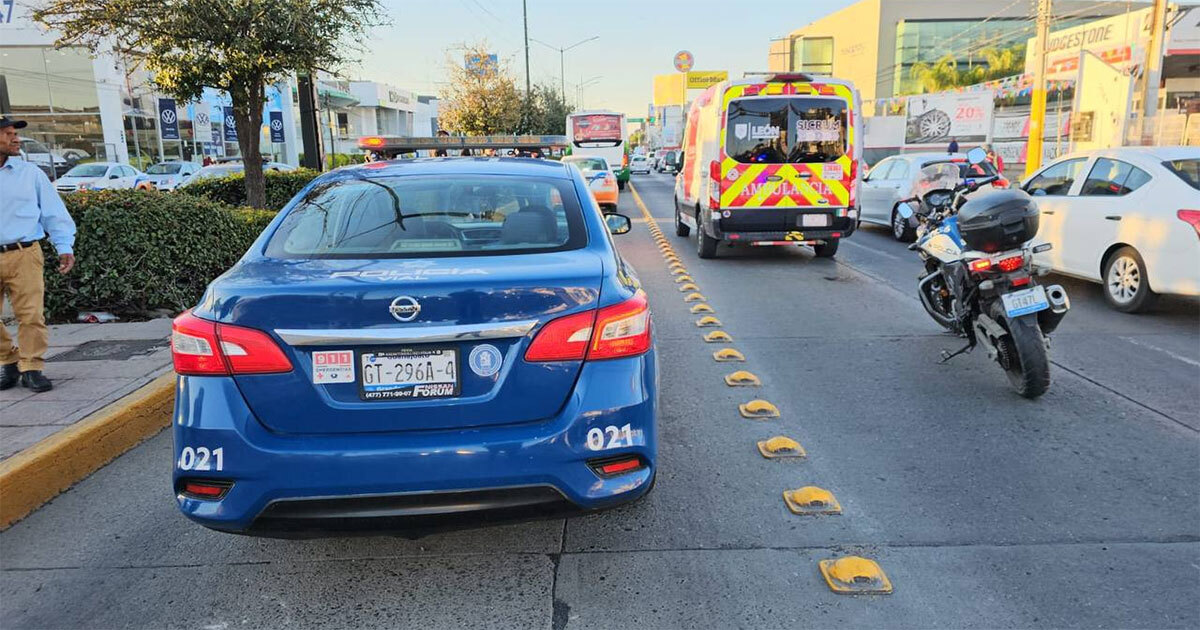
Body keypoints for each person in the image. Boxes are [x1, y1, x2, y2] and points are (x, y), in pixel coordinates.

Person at [0, 116, 77, 393]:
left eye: (14, 133)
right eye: (8, 134)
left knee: (30, 315)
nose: (15, 138)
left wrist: (64, 246)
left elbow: (54, 213)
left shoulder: (29, 174)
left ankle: (31, 367)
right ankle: (8, 360)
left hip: (24, 253)